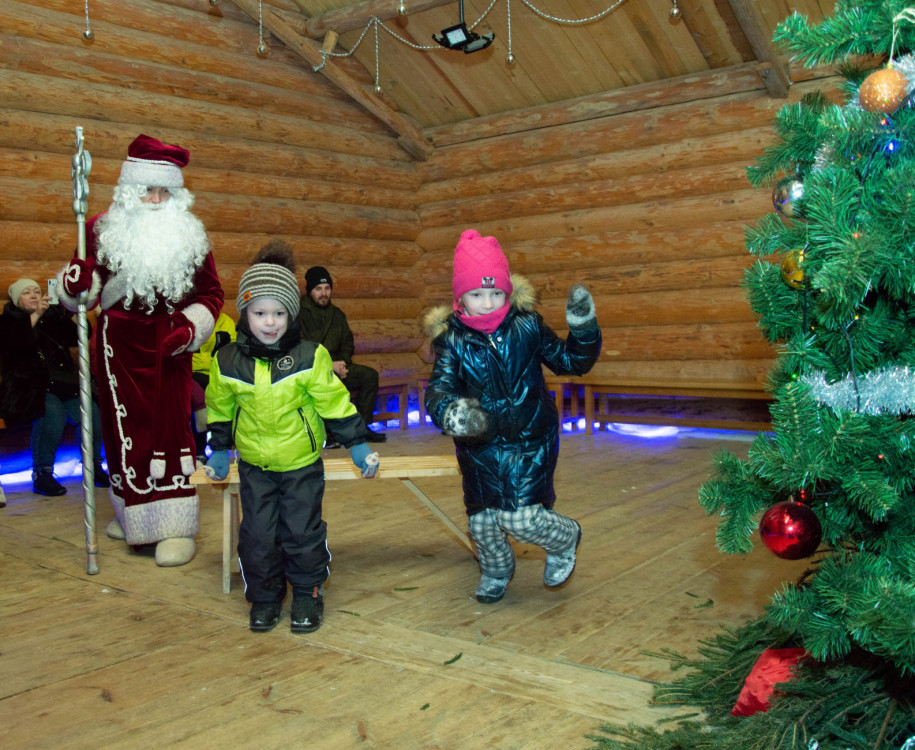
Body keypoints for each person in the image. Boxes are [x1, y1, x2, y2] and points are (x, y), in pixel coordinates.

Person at [57, 134, 224, 566]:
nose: (155, 199)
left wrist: (188, 326)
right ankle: (132, 513)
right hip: (118, 351)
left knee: (169, 435)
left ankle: (173, 527)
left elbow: (211, 294)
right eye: (147, 189)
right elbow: (82, 298)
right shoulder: (100, 229)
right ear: (129, 190)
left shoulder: (191, 236)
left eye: (165, 191)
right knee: (121, 434)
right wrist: (74, 284)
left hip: (170, 349)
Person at [205, 241, 379, 634]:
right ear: (245, 313)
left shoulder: (309, 356)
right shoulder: (228, 361)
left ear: (291, 313)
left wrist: (357, 444)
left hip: (301, 464)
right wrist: (217, 449)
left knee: (302, 531)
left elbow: (334, 402)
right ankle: (265, 598)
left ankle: (307, 593)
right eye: (260, 313)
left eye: (279, 313)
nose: (270, 322)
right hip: (255, 466)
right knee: (258, 536)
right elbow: (220, 408)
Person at [423, 229, 602, 604]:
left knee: (520, 518)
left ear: (508, 291)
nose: (487, 303)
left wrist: (583, 329)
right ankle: (496, 572)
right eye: (477, 294)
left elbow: (570, 361)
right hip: (479, 446)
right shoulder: (451, 340)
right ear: (460, 297)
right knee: (483, 524)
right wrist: (451, 411)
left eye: (496, 293)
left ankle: (565, 538)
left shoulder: (527, 326)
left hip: (529, 440)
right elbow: (440, 388)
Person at [0, 279, 108, 496]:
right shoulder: (7, 321)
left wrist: (73, 311)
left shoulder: (51, 317)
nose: (33, 295)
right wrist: (36, 315)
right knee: (52, 413)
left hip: (63, 383)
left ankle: (94, 466)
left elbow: (80, 336)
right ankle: (42, 473)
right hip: (29, 386)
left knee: (91, 412)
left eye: (36, 291)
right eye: (26, 292)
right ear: (16, 300)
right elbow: (14, 344)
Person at [296, 266, 386, 445]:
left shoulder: (337, 314)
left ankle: (360, 428)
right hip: (312, 369)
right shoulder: (299, 314)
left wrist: (342, 363)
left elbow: (347, 342)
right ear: (310, 290)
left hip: (339, 365)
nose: (323, 293)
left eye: (327, 288)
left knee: (369, 376)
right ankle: (329, 433)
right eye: (318, 289)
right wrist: (329, 365)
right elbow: (301, 347)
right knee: (327, 381)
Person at [191, 311, 236, 460]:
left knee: (223, 394)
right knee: (195, 394)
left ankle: (221, 447)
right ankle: (198, 449)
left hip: (217, 372)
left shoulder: (225, 322)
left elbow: (231, 353)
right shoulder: (188, 318)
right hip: (191, 372)